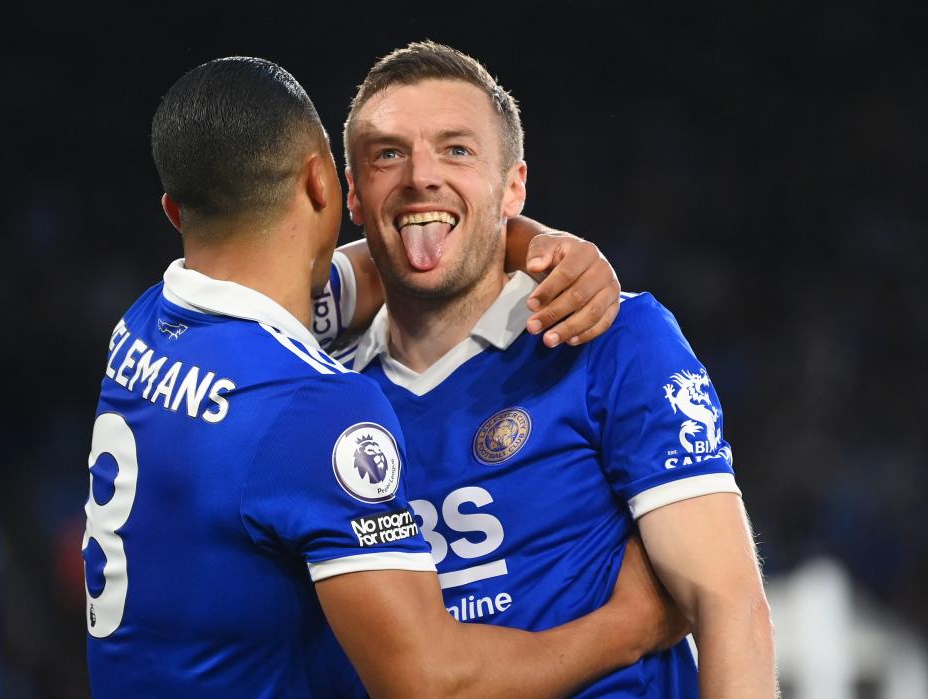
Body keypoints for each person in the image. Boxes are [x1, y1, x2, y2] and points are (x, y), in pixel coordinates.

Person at [84, 55, 683, 698]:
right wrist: (629, 625)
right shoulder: (312, 409)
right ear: (325, 186)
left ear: (176, 211)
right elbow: (431, 683)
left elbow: (375, 271)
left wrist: (534, 244)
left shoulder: (147, 325)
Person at [333, 41, 777, 697]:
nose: (421, 175)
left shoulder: (613, 337)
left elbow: (729, 603)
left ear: (513, 186)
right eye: (388, 154)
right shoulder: (319, 394)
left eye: (457, 149)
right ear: (353, 194)